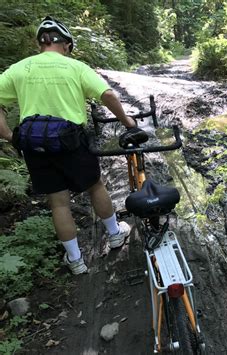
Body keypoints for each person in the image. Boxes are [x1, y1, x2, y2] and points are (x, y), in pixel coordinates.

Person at [0, 16, 136, 275]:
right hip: (71, 139)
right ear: (67, 45)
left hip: (35, 144)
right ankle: (115, 234)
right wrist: (127, 120)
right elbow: (107, 94)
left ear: (40, 43)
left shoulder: (19, 69)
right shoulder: (75, 67)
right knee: (95, 186)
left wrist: (9, 136)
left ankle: (75, 260)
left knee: (58, 202)